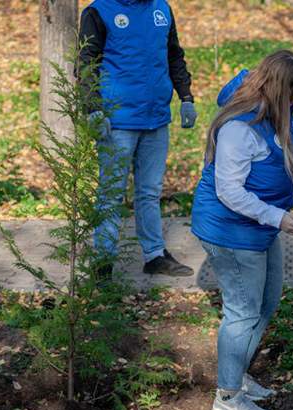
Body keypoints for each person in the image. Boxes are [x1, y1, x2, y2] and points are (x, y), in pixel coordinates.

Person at [191, 51, 293, 410]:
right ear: (282, 91)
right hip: (231, 230)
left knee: (266, 302)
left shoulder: (277, 112)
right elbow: (229, 192)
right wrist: (278, 217)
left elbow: (282, 153)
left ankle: (238, 375)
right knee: (242, 312)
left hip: (262, 225)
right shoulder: (240, 127)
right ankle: (228, 395)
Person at [79, 0, 197, 278]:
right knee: (111, 193)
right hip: (117, 122)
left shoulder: (162, 9)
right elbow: (86, 62)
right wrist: (92, 107)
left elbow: (174, 56)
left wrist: (186, 97)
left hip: (156, 118)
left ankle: (155, 255)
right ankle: (103, 263)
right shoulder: (99, 12)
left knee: (150, 192)